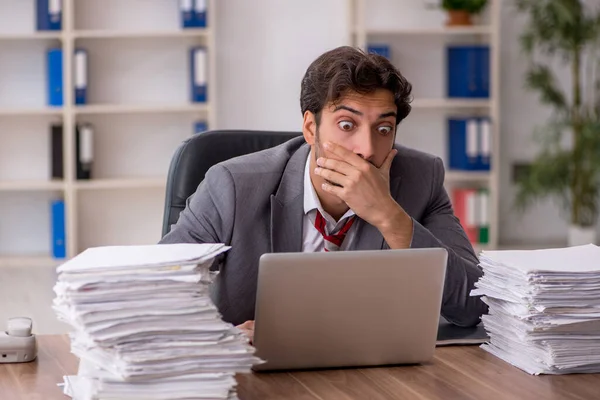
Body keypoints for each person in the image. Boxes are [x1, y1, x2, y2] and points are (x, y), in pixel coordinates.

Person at [159, 45, 487, 341]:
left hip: (373, 372)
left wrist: (389, 215)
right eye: (347, 125)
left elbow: (475, 305)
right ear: (310, 128)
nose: (366, 149)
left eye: (384, 129)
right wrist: (224, 339)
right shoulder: (231, 186)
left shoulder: (421, 179)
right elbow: (153, 294)